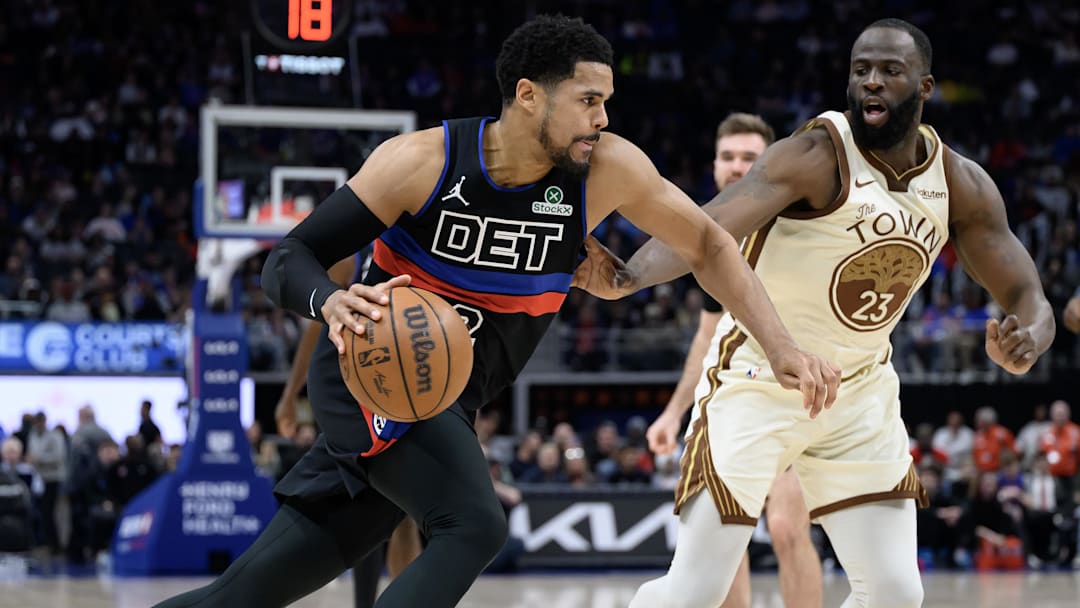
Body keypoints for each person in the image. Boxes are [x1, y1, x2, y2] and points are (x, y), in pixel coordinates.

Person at [153, 15, 837, 608]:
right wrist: (330, 299)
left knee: (248, 593)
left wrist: (777, 347)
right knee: (475, 524)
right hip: (369, 368)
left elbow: (710, 242)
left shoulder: (607, 170)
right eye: (588, 100)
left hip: (446, 397)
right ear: (529, 96)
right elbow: (290, 257)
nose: (603, 118)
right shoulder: (420, 161)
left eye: (607, 102)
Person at [574, 18, 1055, 607]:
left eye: (890, 72)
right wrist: (629, 276)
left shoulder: (960, 184)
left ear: (925, 88)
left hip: (859, 396)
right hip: (759, 380)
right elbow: (708, 226)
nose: (871, 83)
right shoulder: (816, 153)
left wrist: (1027, 339)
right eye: (861, 71)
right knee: (695, 591)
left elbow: (1029, 296)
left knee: (897, 593)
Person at [646, 112, 821, 608]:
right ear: (715, 164)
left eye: (749, 157)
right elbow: (706, 339)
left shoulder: (803, 218)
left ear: (770, 162)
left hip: (799, 393)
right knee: (725, 533)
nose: (737, 166)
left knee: (788, 527)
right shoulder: (716, 234)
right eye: (728, 156)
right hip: (736, 396)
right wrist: (673, 412)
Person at [273, 252, 422, 608]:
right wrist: (290, 393)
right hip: (351, 396)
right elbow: (315, 330)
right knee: (367, 504)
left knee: (403, 515)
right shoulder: (350, 260)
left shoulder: (423, 250)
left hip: (403, 393)